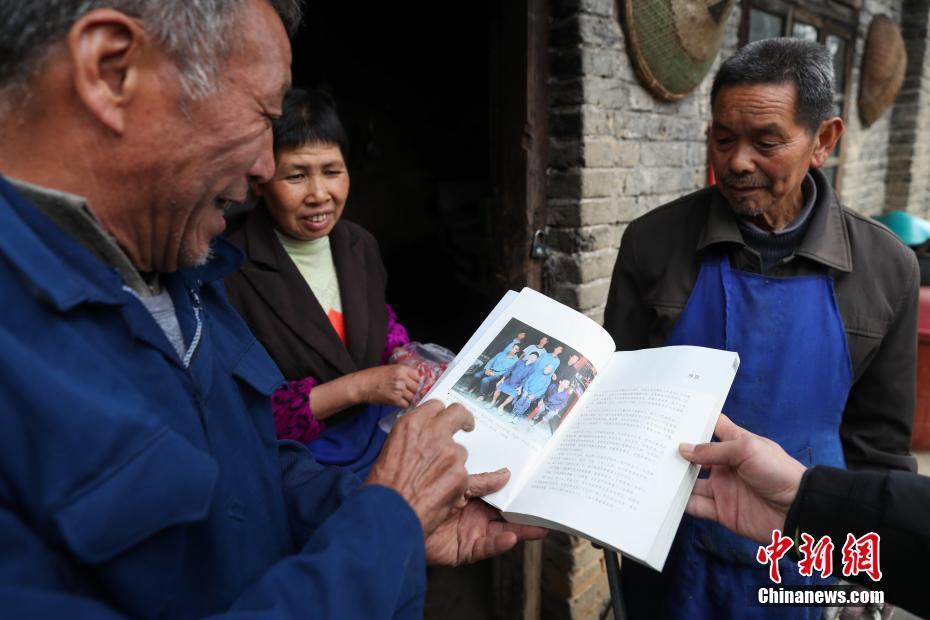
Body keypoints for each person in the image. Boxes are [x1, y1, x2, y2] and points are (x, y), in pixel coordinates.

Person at [0, 1, 545, 617]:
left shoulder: (189, 275)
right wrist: (384, 526)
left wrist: (384, 517)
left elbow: (257, 467)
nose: (265, 168)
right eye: (263, 117)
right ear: (112, 71)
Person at [603, 38, 919, 620]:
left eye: (765, 141)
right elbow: (618, 403)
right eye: (723, 138)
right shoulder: (653, 244)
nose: (737, 161)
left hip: (805, 551)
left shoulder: (885, 269)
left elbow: (878, 447)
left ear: (823, 140)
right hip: (670, 541)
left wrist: (864, 586)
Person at [224, 88, 417, 477]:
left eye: (332, 171)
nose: (319, 195)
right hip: (298, 474)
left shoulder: (358, 244)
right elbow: (242, 416)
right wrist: (361, 387)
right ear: (260, 180)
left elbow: (379, 320)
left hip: (378, 444)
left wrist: (403, 355)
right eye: (296, 175)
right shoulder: (230, 270)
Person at [680, 415, 926, 618]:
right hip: (680, 544)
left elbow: (880, 438)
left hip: (799, 566)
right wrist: (804, 499)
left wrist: (810, 506)